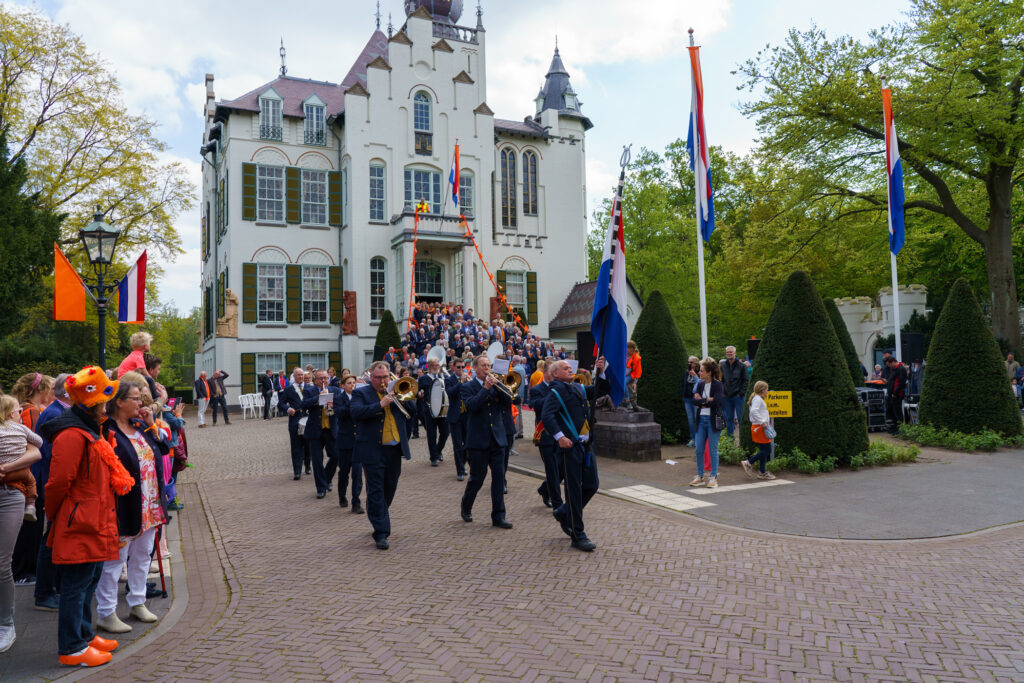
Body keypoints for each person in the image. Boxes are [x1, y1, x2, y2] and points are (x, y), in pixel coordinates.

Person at [41, 366, 134, 667]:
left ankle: (82, 635)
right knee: (76, 584)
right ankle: (72, 647)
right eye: (106, 397)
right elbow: (57, 483)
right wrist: (56, 515)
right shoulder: (72, 433)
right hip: (80, 519)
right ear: (96, 402)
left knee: (89, 579)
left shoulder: (89, 428)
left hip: (90, 517)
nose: (109, 403)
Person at [95, 376, 168, 634]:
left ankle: (137, 601)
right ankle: (106, 611)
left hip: (150, 502)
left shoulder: (140, 425)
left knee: (143, 555)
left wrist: (151, 425)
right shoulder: (106, 429)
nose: (141, 402)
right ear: (119, 402)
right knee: (115, 559)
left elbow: (165, 449)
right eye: (135, 398)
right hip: (124, 504)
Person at [540, 359, 607, 552]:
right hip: (569, 448)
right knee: (574, 490)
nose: (570, 369)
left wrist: (600, 372)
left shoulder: (577, 387)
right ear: (555, 374)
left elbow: (599, 391)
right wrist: (560, 437)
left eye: (571, 367)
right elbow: (547, 415)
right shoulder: (555, 390)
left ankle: (563, 511)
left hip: (585, 445)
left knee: (592, 485)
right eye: (565, 368)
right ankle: (578, 535)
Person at [350, 361, 412, 550]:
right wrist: (380, 404)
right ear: (371, 376)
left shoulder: (395, 391)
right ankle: (381, 532)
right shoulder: (361, 393)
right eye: (378, 378)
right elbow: (355, 412)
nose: (382, 381)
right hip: (373, 449)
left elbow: (414, 412)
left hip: (394, 449)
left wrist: (404, 397)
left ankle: (376, 512)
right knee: (376, 490)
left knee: (389, 488)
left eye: (385, 377)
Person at [0, 405, 42, 653]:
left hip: (8, 495)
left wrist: (7, 468)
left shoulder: (10, 427)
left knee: (2, 563)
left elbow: (35, 450)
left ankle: (6, 625)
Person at [459, 354, 513, 530]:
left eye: (488, 365)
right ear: (475, 368)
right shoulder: (467, 387)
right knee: (477, 478)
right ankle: (466, 506)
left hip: (498, 440)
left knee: (498, 478)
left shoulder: (497, 385)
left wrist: (498, 386)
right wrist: (485, 388)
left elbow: (508, 401)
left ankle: (498, 516)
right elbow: (472, 406)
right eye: (483, 365)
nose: (487, 368)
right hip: (478, 441)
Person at [33, 374, 71, 612]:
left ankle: (52, 588)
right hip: (51, 483)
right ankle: (45, 592)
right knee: (51, 539)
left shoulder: (58, 412)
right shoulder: (55, 414)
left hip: (52, 482)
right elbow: (51, 455)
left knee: (55, 537)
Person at [10, 372, 52, 584]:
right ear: (41, 390)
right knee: (31, 525)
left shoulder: (24, 410)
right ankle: (24, 571)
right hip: (32, 475)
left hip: (25, 475)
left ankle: (23, 570)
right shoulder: (33, 413)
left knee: (29, 524)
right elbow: (36, 445)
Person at [298, 370, 344, 500]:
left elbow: (342, 405)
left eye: (326, 378)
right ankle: (321, 488)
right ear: (315, 380)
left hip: (331, 428)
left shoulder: (336, 390)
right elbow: (303, 405)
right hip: (315, 430)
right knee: (317, 460)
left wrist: (334, 404)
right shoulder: (309, 390)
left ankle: (327, 478)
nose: (323, 380)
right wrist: (319, 398)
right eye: (321, 378)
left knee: (335, 456)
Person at [0, 395, 43, 521]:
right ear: (12, 415)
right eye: (20, 411)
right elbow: (39, 443)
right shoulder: (21, 428)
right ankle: (30, 506)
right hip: (18, 475)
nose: (21, 414)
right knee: (31, 480)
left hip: (6, 478)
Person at [529, 357, 561, 510]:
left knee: (560, 469)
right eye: (552, 371)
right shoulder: (537, 390)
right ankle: (557, 504)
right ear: (546, 372)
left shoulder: (562, 387)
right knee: (552, 469)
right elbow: (535, 406)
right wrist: (552, 394)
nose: (555, 374)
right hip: (545, 435)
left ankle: (544, 489)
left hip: (562, 434)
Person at [689, 358, 725, 489]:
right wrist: (707, 400)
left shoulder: (718, 385)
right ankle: (700, 476)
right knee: (699, 449)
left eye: (702, 371)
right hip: (701, 420)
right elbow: (694, 401)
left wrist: (702, 401)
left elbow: (716, 402)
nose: (699, 373)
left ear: (709, 372)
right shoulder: (700, 384)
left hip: (713, 420)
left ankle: (713, 477)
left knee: (713, 449)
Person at [333, 375, 363, 513]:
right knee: (344, 471)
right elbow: (340, 413)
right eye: (349, 383)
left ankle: (356, 501)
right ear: (343, 386)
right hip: (345, 440)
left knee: (357, 472)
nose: (352, 385)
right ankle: (342, 495)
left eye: (354, 383)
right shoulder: (339, 398)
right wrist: (352, 403)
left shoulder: (360, 396)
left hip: (358, 441)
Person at [280, 367, 313, 480]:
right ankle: (297, 471)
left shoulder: (309, 387)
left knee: (308, 445)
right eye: (298, 375)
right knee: (296, 446)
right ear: (294, 376)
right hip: (295, 420)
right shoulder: (289, 389)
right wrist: (288, 409)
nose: (300, 377)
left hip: (308, 420)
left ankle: (308, 465)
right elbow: (281, 403)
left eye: (302, 375)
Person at [416, 357, 450, 467]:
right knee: (431, 434)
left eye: (438, 365)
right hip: (429, 409)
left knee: (445, 432)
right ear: (429, 367)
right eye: (435, 365)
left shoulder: (442, 377)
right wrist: (419, 394)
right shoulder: (423, 378)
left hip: (442, 409)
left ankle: (438, 450)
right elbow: (418, 392)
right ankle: (433, 457)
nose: (437, 367)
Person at [742, 381, 776, 480]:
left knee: (763, 450)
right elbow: (754, 411)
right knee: (767, 450)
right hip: (760, 427)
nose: (767, 391)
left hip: (758, 427)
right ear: (762, 390)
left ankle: (762, 472)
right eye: (766, 389)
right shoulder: (758, 399)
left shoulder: (756, 398)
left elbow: (754, 411)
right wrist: (762, 422)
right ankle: (748, 463)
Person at [445, 358, 470, 481]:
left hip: (466, 416)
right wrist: (460, 382)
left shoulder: (467, 379)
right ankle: (460, 470)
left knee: (468, 444)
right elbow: (450, 393)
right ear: (453, 367)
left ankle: (462, 463)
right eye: (458, 367)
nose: (461, 369)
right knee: (457, 445)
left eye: (462, 367)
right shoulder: (449, 380)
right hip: (455, 417)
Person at [719, 346, 749, 438]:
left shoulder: (742, 366)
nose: (729, 353)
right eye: (727, 352)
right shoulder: (723, 366)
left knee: (740, 419)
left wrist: (741, 393)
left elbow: (745, 380)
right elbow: (721, 380)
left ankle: (742, 440)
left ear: (735, 353)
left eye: (731, 352)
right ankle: (730, 441)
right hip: (726, 396)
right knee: (728, 419)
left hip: (738, 396)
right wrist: (723, 392)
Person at [885, 356, 909, 434]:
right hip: (892, 394)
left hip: (897, 395)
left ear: (893, 362)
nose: (889, 367)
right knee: (892, 411)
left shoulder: (901, 369)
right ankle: (895, 427)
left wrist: (895, 393)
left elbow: (901, 383)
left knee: (897, 412)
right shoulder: (894, 369)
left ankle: (899, 428)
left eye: (889, 365)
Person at [681, 356, 701, 447]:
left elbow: (701, 384)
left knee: (697, 419)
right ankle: (692, 438)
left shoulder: (699, 372)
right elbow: (683, 384)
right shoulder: (686, 372)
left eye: (691, 362)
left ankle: (698, 439)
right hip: (687, 398)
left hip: (695, 399)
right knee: (691, 420)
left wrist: (695, 376)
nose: (690, 364)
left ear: (696, 363)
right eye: (689, 362)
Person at [621, 341, 642, 411]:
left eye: (627, 348)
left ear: (632, 348)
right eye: (626, 348)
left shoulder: (637, 358)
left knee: (623, 382)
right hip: (623, 374)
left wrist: (635, 382)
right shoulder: (624, 355)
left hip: (630, 375)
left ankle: (628, 402)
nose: (626, 349)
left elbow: (638, 371)